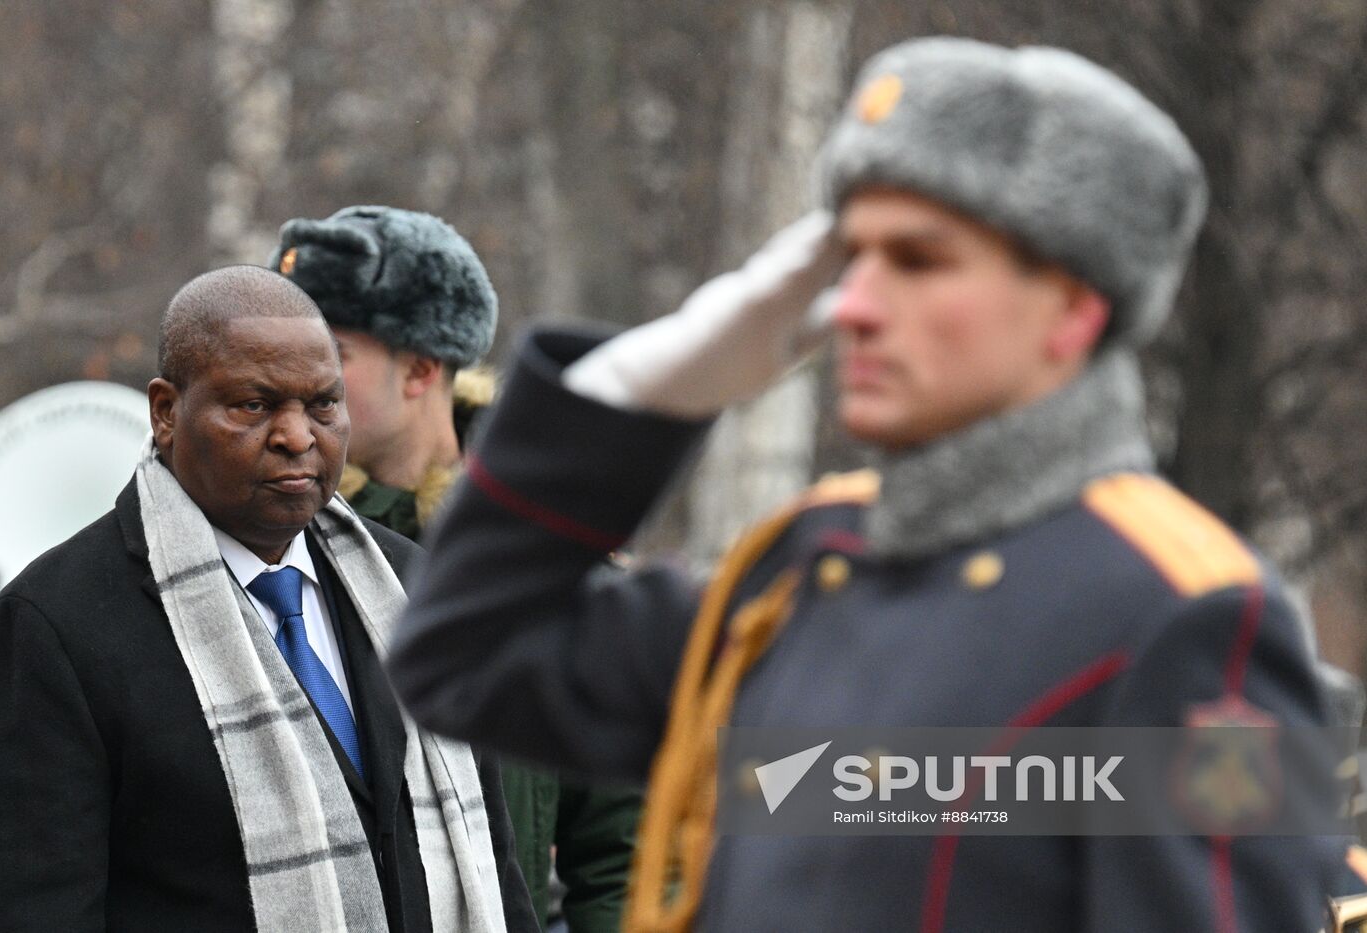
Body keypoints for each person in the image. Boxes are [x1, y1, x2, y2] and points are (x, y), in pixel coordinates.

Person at [384, 37, 1348, 932]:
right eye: (852, 256)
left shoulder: (1192, 619)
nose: (854, 304)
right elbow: (464, 656)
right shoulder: (803, 572)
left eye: (920, 260)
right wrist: (645, 391)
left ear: (1072, 309)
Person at [0, 265, 535, 932]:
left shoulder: (415, 586)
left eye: (323, 403)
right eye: (253, 405)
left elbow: (496, 868)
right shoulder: (49, 627)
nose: (298, 436)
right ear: (166, 411)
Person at [270, 205, 642, 933]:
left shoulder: (547, 559)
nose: (296, 379)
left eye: (332, 354)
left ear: (421, 369)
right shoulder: (262, 546)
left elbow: (621, 854)